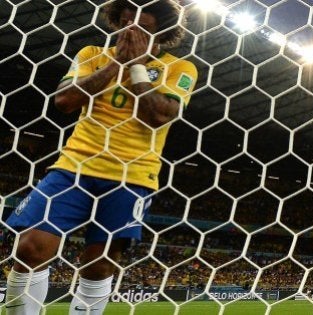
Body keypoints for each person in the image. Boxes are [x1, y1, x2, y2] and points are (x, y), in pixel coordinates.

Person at [4, 1, 197, 314]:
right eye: (125, 23)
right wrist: (116, 65)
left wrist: (136, 67)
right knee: (29, 248)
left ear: (161, 32)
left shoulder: (179, 68)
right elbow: (64, 100)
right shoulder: (92, 55)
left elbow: (159, 116)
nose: (131, 32)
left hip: (132, 176)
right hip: (73, 167)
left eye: (143, 28)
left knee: (99, 265)